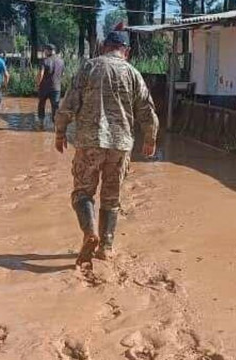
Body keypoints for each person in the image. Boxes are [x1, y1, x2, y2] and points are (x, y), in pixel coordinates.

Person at [54, 30, 159, 265]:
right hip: (121, 144)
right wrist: (150, 138)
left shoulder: (89, 67)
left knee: (82, 192)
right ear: (126, 51)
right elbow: (146, 109)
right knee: (112, 197)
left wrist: (60, 131)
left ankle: (90, 232)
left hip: (90, 141)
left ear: (104, 46)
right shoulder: (133, 73)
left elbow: (69, 103)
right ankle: (106, 247)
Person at [36, 44, 65, 131]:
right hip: (56, 87)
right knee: (55, 107)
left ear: (48, 51)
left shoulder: (44, 61)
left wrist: (37, 84)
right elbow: (63, 74)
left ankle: (41, 124)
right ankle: (55, 127)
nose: (44, 52)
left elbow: (41, 74)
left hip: (44, 87)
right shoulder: (61, 61)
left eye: (45, 50)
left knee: (41, 105)